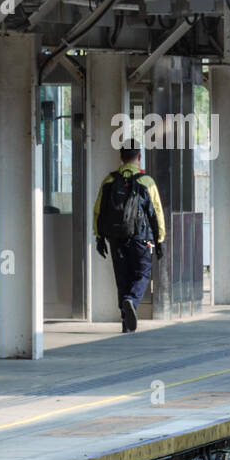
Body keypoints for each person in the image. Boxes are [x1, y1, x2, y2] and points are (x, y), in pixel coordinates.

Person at [93, 141, 165, 332]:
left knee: (122, 277)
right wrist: (159, 240)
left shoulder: (109, 180)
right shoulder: (146, 181)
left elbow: (98, 210)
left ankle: (126, 322)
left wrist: (99, 236)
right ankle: (131, 300)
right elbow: (156, 213)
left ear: (121, 157)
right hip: (140, 237)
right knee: (142, 273)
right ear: (139, 157)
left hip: (115, 237)